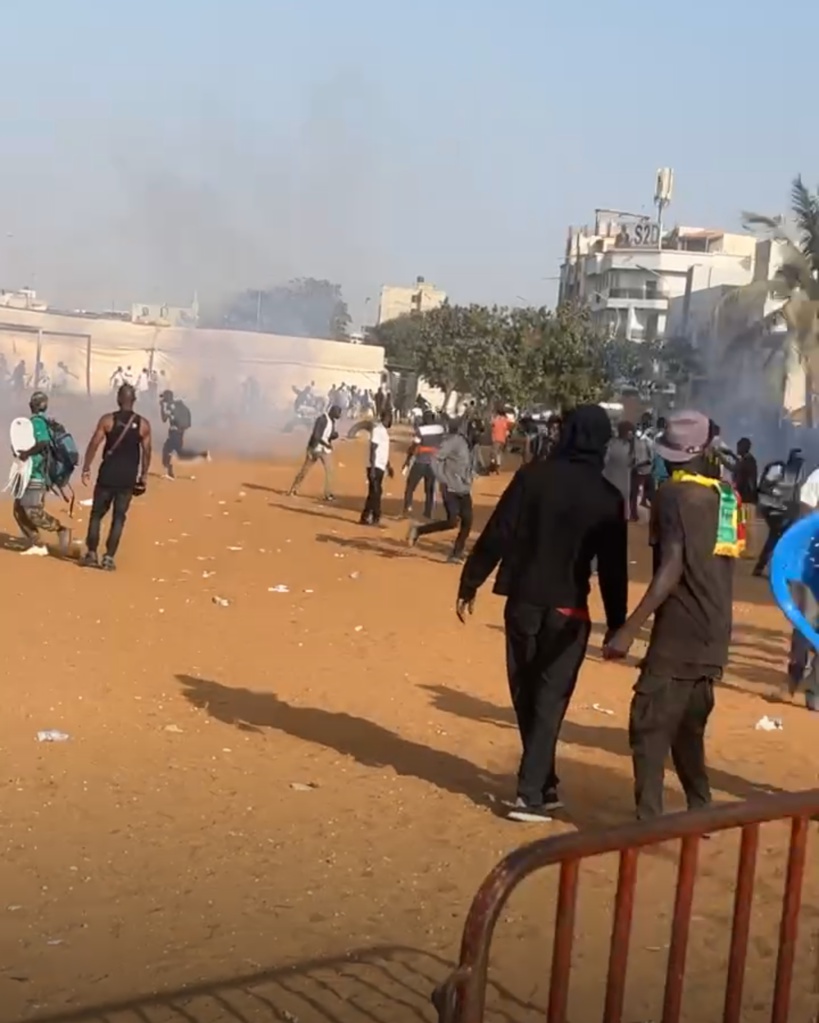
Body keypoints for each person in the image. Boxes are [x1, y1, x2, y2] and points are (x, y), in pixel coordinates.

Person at [457, 405, 628, 822]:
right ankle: (534, 791)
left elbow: (499, 531)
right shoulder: (607, 497)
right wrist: (618, 624)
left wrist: (470, 581)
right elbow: (612, 569)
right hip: (569, 608)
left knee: (526, 692)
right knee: (549, 699)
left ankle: (540, 786)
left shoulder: (532, 477)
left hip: (523, 601)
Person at [603, 410, 739, 821]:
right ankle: (701, 808)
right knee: (688, 727)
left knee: (647, 726)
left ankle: (649, 821)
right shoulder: (725, 496)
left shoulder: (673, 497)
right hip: (715, 630)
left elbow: (672, 566)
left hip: (679, 628)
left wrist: (629, 628)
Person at [80, 383, 152, 570]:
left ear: (118, 399)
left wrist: (86, 467)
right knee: (119, 517)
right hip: (127, 478)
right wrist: (143, 476)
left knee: (96, 515)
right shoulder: (143, 425)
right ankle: (109, 558)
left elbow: (94, 444)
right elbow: (147, 453)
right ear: (134, 400)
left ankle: (91, 554)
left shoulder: (107, 420)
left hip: (107, 476)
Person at [408, 420, 476, 564]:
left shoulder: (469, 444)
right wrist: (442, 478)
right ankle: (419, 531)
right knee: (452, 521)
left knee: (467, 521)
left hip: (464, 488)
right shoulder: (454, 441)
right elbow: (435, 457)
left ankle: (456, 553)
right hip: (450, 487)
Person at [13, 391, 72, 555]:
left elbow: (43, 442)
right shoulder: (38, 422)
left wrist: (26, 453)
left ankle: (60, 529)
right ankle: (36, 543)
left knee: (32, 511)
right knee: (19, 509)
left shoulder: (37, 422)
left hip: (36, 472)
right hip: (30, 472)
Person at [753, 448, 805, 577]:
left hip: (787, 511)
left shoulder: (796, 474)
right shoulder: (778, 469)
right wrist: (776, 495)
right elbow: (764, 487)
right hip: (775, 510)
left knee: (777, 538)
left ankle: (764, 567)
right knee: (777, 537)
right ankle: (768, 568)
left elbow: (795, 495)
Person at [288, 404, 342, 501]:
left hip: (325, 450)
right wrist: (326, 444)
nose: (339, 415)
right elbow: (316, 436)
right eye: (338, 413)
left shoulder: (332, 421)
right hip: (315, 449)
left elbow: (327, 435)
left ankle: (327, 493)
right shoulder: (321, 419)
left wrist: (334, 435)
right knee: (305, 470)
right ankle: (293, 489)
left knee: (330, 471)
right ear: (332, 411)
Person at [402, 409, 444, 518]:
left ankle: (408, 507)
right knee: (430, 489)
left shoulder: (421, 430)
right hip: (433, 464)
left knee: (410, 486)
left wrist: (407, 460)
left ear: (424, 419)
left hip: (420, 462)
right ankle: (428, 512)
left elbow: (414, 446)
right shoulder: (440, 429)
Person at [159, 389, 208, 479]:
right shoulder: (178, 405)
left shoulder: (170, 406)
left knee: (167, 450)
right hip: (179, 433)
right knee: (180, 453)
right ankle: (202, 455)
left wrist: (162, 406)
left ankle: (170, 473)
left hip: (174, 433)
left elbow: (164, 419)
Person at [360, 412, 394, 526]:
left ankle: (365, 517)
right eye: (389, 418)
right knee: (376, 492)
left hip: (381, 466)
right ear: (383, 418)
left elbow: (383, 451)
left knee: (374, 493)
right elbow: (373, 449)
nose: (390, 421)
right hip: (375, 466)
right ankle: (375, 516)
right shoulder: (378, 430)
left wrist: (388, 466)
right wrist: (373, 468)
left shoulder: (383, 432)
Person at [604, 420, 634, 512]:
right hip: (617, 483)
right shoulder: (617, 445)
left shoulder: (612, 444)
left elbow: (605, 460)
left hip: (615, 483)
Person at [489, 407, 511, 473]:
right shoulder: (505, 420)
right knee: (498, 453)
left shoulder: (496, 420)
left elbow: (491, 424)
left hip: (496, 438)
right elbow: (508, 430)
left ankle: (492, 465)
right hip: (502, 440)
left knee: (493, 453)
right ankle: (498, 466)